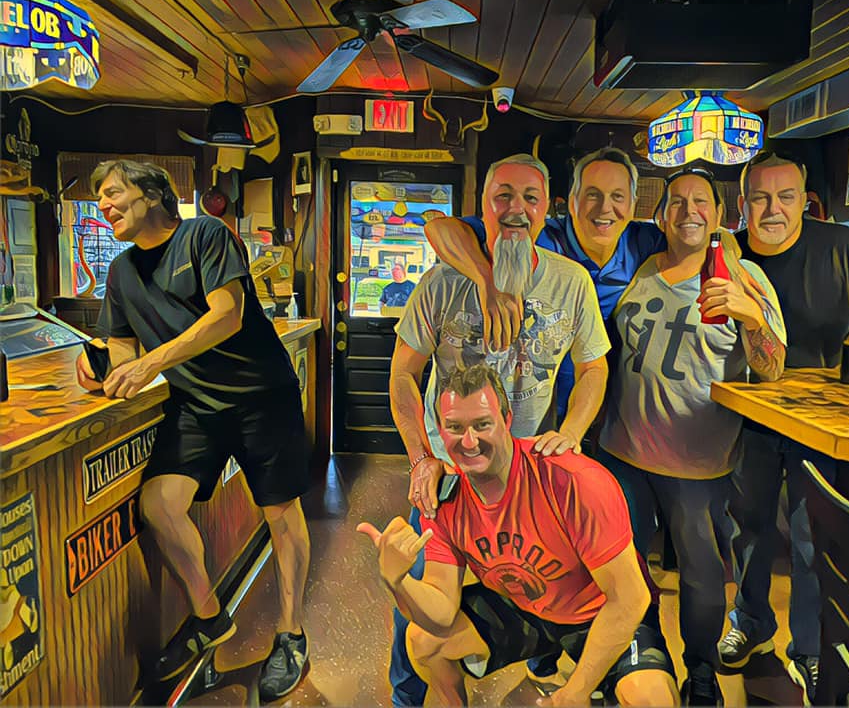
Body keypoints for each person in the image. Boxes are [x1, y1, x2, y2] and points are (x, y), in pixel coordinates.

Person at [75, 160, 312, 702]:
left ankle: (291, 633)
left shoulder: (204, 234)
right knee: (159, 504)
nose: (105, 205)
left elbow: (227, 314)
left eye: (114, 193)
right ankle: (209, 616)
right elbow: (123, 354)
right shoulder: (120, 272)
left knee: (280, 512)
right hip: (197, 403)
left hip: (261, 396)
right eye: (101, 198)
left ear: (154, 193)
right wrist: (98, 372)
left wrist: (148, 360)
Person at [388, 153, 611, 706]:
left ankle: (541, 657)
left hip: (532, 473)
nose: (516, 209)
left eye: (529, 198)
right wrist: (421, 457)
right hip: (450, 471)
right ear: (482, 209)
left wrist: (575, 430)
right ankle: (406, 695)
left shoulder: (572, 282)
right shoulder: (442, 283)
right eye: (502, 196)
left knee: (544, 576)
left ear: (547, 210)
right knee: (416, 588)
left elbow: (594, 367)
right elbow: (402, 375)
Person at [720, 151, 849, 705]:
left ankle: (808, 648)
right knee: (750, 526)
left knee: (812, 537)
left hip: (823, 422)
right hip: (752, 412)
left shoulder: (844, 246)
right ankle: (751, 620)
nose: (772, 209)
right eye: (759, 198)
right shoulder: (727, 253)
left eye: (785, 197)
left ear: (804, 200)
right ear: (743, 204)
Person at [359, 364, 679, 707]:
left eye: (482, 424)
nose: (469, 442)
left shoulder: (572, 480)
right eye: (455, 427)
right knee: (423, 641)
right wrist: (397, 581)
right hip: (529, 608)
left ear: (507, 419)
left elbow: (629, 600)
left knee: (651, 698)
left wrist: (574, 694)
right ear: (440, 429)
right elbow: (440, 613)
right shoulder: (444, 498)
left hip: (596, 611)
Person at [596, 166, 786, 706]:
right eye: (676, 202)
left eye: (700, 202)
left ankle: (700, 672)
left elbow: (771, 368)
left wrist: (752, 318)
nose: (688, 212)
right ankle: (638, 658)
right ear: (660, 214)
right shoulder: (639, 267)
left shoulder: (744, 276)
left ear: (720, 215)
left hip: (701, 464)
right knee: (627, 569)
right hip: (623, 454)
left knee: (702, 580)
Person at [426, 147, 666, 423]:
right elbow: (440, 228)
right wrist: (487, 280)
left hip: (603, 403)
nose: (604, 208)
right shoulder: (538, 234)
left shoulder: (643, 241)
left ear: (633, 204)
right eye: (592, 195)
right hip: (529, 402)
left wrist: (728, 249)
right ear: (572, 200)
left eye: (618, 197)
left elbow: (702, 237)